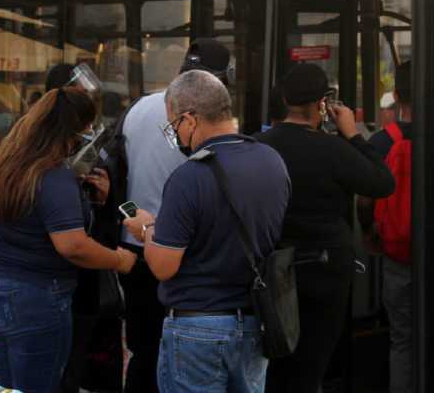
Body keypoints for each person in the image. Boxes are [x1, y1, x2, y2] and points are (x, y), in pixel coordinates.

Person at [124, 70, 291, 393]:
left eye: (174, 125)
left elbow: (163, 266)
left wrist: (146, 227)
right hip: (256, 324)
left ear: (190, 119)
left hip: (196, 328)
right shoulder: (272, 161)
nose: (176, 135)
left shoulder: (189, 177)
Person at [0, 87, 137, 393]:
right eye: (88, 127)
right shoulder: (54, 176)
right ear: (76, 129)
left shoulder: (5, 159)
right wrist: (120, 260)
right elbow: (72, 245)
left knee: (9, 383)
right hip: (32, 296)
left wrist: (89, 202)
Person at [255, 63, 395, 393]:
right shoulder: (335, 149)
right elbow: (382, 182)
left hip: (273, 268)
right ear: (322, 104)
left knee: (276, 361)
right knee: (311, 363)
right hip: (326, 269)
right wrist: (354, 134)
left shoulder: (260, 146)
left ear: (285, 100)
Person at [115, 37, 231, 393]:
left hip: (134, 246)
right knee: (179, 351)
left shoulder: (139, 107)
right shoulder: (204, 127)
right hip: (180, 252)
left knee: (143, 349)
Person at [360, 60, 414, 393]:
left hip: (397, 254)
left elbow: (364, 202)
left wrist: (370, 233)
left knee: (402, 340)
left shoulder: (382, 142)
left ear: (396, 96)